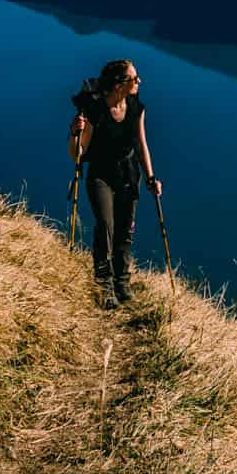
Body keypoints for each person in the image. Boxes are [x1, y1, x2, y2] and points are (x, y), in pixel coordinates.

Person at [69, 58, 161, 306]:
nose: (139, 81)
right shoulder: (95, 110)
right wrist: (74, 131)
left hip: (128, 174)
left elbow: (141, 145)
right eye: (134, 78)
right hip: (101, 174)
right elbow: (77, 151)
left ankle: (122, 282)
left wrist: (151, 177)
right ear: (120, 84)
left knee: (125, 230)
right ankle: (104, 284)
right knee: (106, 225)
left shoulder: (135, 107)